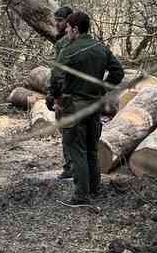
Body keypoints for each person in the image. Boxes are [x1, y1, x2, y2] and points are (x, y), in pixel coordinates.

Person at [49, 11, 124, 206]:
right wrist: (102, 87)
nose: (66, 31)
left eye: (68, 28)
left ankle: (81, 195)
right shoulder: (101, 48)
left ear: (75, 28)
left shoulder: (69, 51)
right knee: (92, 148)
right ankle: (95, 189)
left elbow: (56, 79)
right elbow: (118, 72)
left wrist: (57, 99)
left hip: (75, 106)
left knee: (77, 150)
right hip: (95, 105)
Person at [51, 5, 73, 179]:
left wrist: (55, 96)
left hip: (67, 95)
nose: (56, 24)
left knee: (67, 130)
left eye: (60, 20)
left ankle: (69, 167)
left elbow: (58, 73)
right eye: (55, 20)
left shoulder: (64, 43)